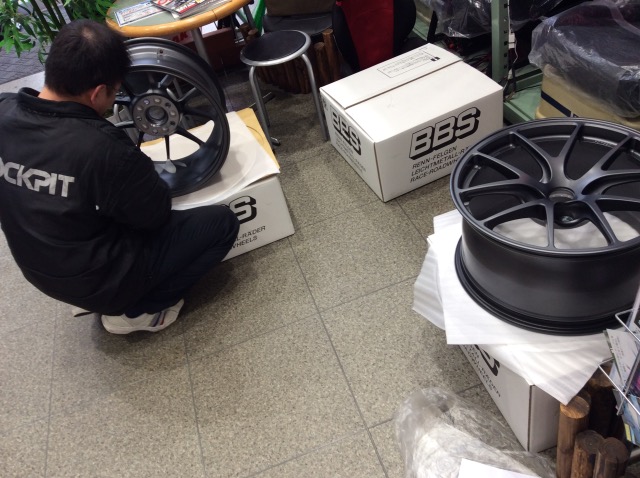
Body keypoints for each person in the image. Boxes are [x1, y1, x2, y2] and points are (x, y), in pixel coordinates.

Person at [0, 19, 239, 334]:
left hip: (39, 272)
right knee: (222, 224)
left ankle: (94, 293)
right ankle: (137, 312)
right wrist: (139, 172)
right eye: (114, 93)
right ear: (98, 92)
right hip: (100, 282)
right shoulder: (101, 146)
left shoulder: (4, 110)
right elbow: (155, 216)